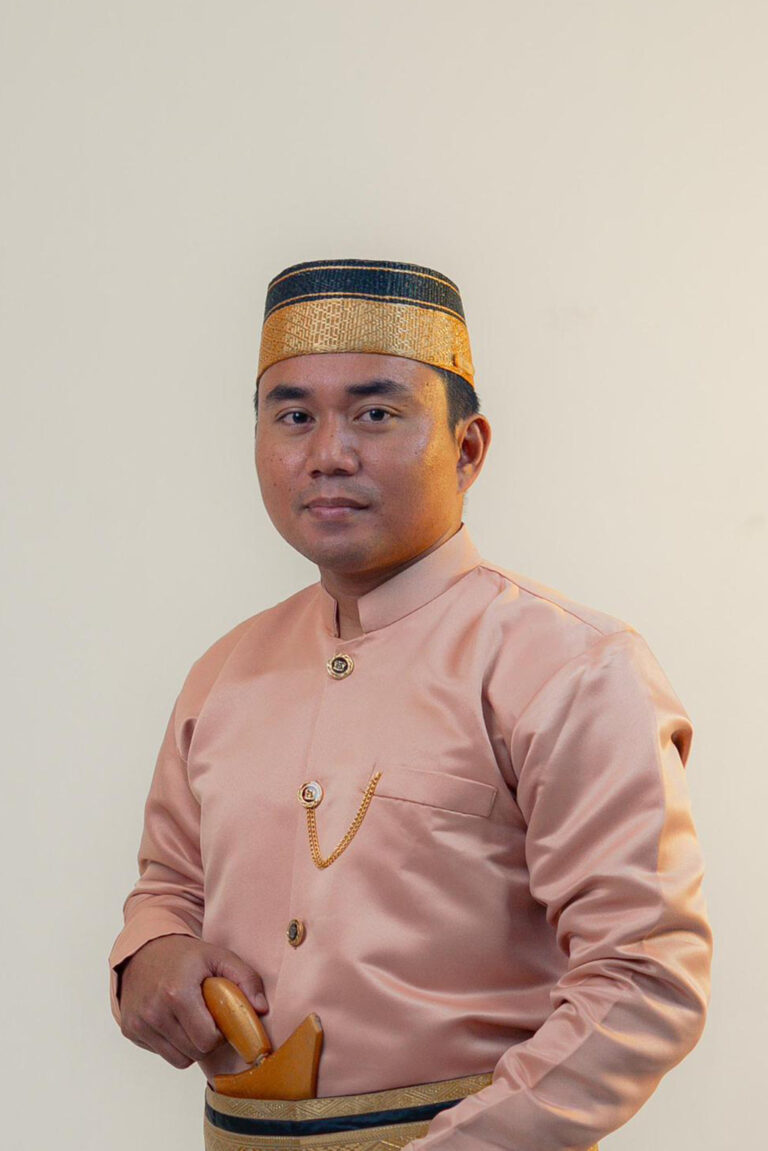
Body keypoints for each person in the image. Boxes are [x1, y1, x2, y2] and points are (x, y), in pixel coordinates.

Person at [108, 258, 712, 1151]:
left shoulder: (571, 667)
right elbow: (168, 887)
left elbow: (646, 976)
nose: (328, 453)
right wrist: (150, 951)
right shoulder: (223, 673)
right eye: (294, 416)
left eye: (376, 413)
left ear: (468, 449)